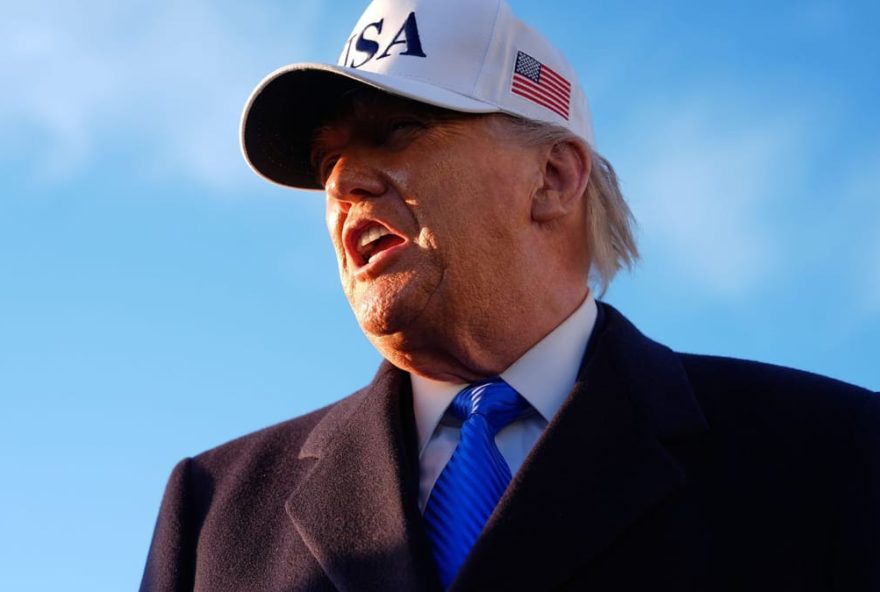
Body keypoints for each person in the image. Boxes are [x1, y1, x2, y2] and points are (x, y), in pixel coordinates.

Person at [140, 0, 879, 590]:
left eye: (399, 129)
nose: (343, 185)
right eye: (327, 159)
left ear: (554, 177)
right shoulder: (213, 515)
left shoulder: (833, 457)